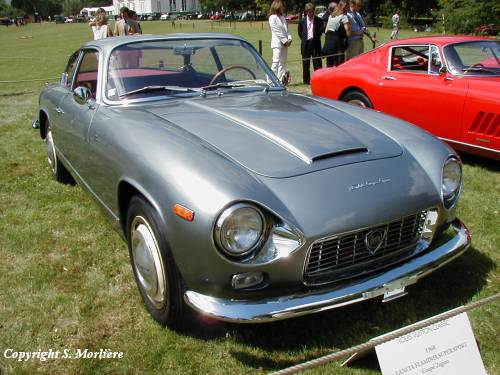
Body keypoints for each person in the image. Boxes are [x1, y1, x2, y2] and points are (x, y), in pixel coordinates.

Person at [297, 3, 323, 84]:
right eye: (309, 12)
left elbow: (320, 32)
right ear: (306, 12)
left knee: (317, 64)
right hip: (306, 45)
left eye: (312, 12)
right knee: (305, 64)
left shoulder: (319, 20)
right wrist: (305, 40)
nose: (311, 14)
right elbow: (300, 33)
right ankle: (306, 81)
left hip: (316, 44)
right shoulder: (302, 21)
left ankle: (318, 80)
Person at [268, 0, 292, 85]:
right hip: (277, 44)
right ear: (277, 7)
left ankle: (279, 81)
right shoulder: (272, 18)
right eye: (281, 6)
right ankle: (270, 82)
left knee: (283, 63)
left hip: (285, 44)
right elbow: (277, 31)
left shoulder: (282, 17)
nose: (283, 8)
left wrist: (289, 38)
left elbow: (286, 30)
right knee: (275, 62)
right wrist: (285, 41)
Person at [322, 0, 351, 67]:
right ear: (345, 7)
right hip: (338, 46)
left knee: (329, 66)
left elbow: (326, 31)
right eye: (348, 7)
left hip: (329, 45)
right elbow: (348, 33)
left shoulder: (331, 16)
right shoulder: (344, 17)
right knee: (339, 67)